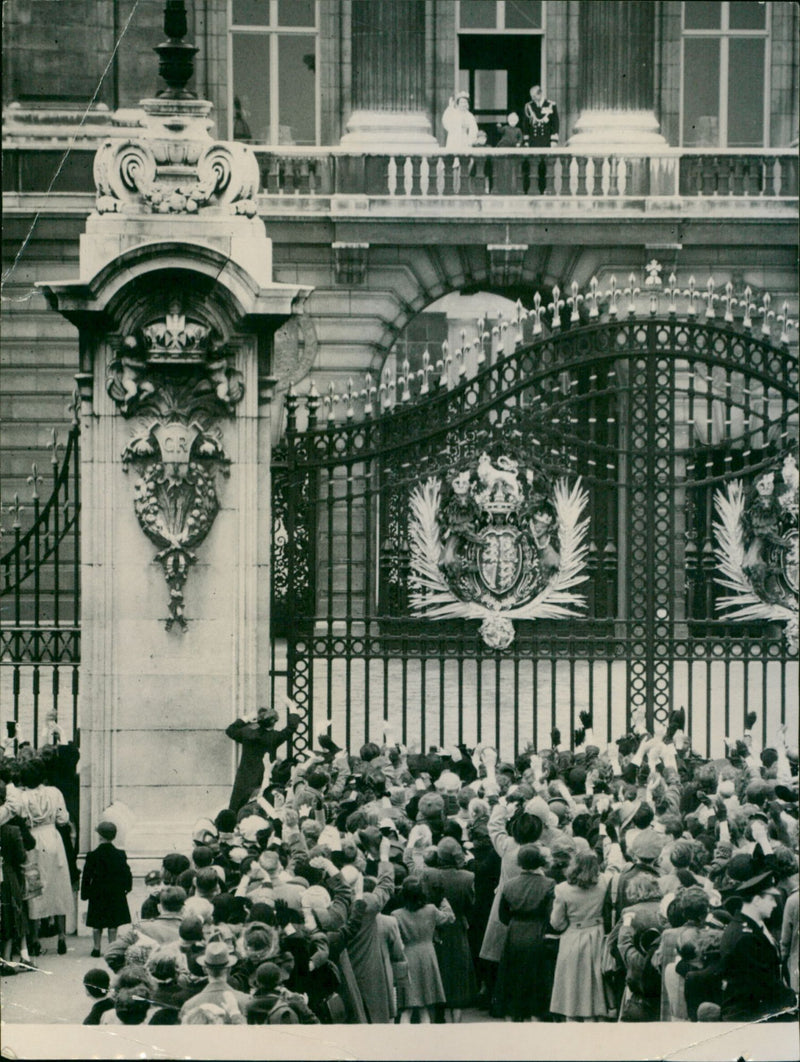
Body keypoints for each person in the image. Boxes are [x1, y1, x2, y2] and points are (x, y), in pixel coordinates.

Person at [15, 757, 73, 956]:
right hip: (52, 838)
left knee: (34, 887)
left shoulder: (22, 797)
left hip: (33, 840)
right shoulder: (54, 792)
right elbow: (63, 819)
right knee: (58, 885)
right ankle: (62, 936)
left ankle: (35, 938)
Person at [493, 843, 555, 1021]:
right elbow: (551, 915)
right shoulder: (549, 883)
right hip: (538, 931)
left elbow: (503, 916)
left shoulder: (510, 885)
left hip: (514, 933)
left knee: (514, 980)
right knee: (536, 981)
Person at [549, 846, 611, 1021]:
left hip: (573, 936)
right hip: (597, 934)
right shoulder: (604, 883)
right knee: (595, 983)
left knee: (572, 987)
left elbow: (556, 922)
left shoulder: (562, 889)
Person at [393, 876, 455, 1024]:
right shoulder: (431, 910)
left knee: (407, 1008)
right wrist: (444, 902)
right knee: (425, 1007)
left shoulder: (396, 915)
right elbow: (450, 918)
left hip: (407, 956)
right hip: (427, 955)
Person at [226, 702, 302, 813]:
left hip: (244, 774)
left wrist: (246, 718)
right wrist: (292, 706)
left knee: (237, 804)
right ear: (274, 722)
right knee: (261, 805)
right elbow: (291, 727)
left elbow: (230, 730)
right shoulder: (274, 737)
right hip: (263, 775)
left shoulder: (247, 733)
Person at [81, 820, 133, 958]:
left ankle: (96, 948)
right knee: (113, 924)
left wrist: (85, 893)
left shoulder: (92, 855)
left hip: (97, 892)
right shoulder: (120, 854)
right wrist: (127, 887)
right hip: (115, 892)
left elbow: (86, 876)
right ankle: (111, 947)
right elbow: (127, 873)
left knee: (97, 924)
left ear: (100, 836)